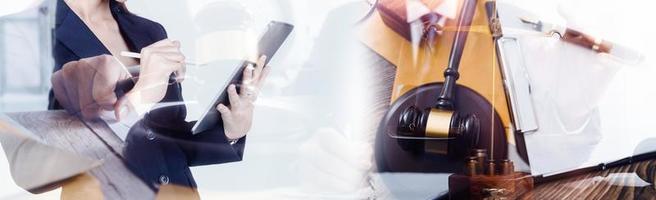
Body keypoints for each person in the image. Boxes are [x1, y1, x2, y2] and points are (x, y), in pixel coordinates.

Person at [49, 0, 267, 188]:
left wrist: (230, 132)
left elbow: (167, 139)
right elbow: (50, 164)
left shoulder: (150, 32)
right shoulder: (41, 38)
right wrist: (140, 96)